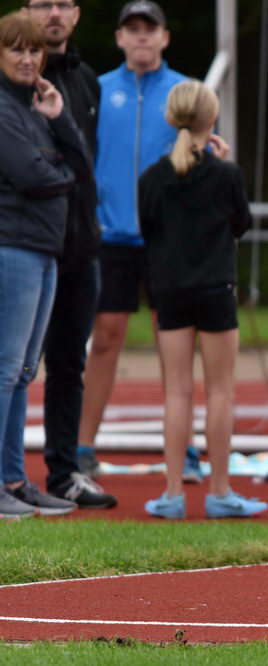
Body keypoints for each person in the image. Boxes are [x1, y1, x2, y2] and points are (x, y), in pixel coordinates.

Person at [78, 0, 203, 482]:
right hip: (110, 235)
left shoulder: (184, 92)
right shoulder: (97, 89)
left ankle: (186, 449)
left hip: (168, 238)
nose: (142, 38)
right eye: (132, 30)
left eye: (150, 30)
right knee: (105, 337)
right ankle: (84, 445)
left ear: (165, 37)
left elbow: (203, 157)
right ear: (119, 38)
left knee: (172, 342)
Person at [138, 80, 265, 519]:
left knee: (176, 393)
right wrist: (223, 165)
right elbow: (241, 224)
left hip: (170, 292)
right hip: (215, 291)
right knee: (219, 394)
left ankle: (173, 494)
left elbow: (147, 230)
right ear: (211, 120)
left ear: (172, 118)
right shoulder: (226, 174)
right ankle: (220, 491)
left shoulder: (152, 177)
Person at [23, 0, 117, 509]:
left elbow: (87, 162)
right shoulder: (11, 78)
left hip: (81, 244)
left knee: (67, 364)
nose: (53, 13)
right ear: (26, 10)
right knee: (14, 365)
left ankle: (64, 472)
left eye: (62, 4)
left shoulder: (86, 80)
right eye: (43, 4)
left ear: (76, 14)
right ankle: (8, 475)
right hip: (25, 241)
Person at [0, 11, 89, 517]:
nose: (29, 58)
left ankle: (14, 479)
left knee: (24, 372)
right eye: (17, 49)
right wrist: (58, 170)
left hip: (44, 248)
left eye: (34, 51)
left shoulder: (34, 106)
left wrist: (62, 119)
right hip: (12, 246)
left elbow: (79, 166)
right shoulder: (2, 108)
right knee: (7, 367)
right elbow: (33, 175)